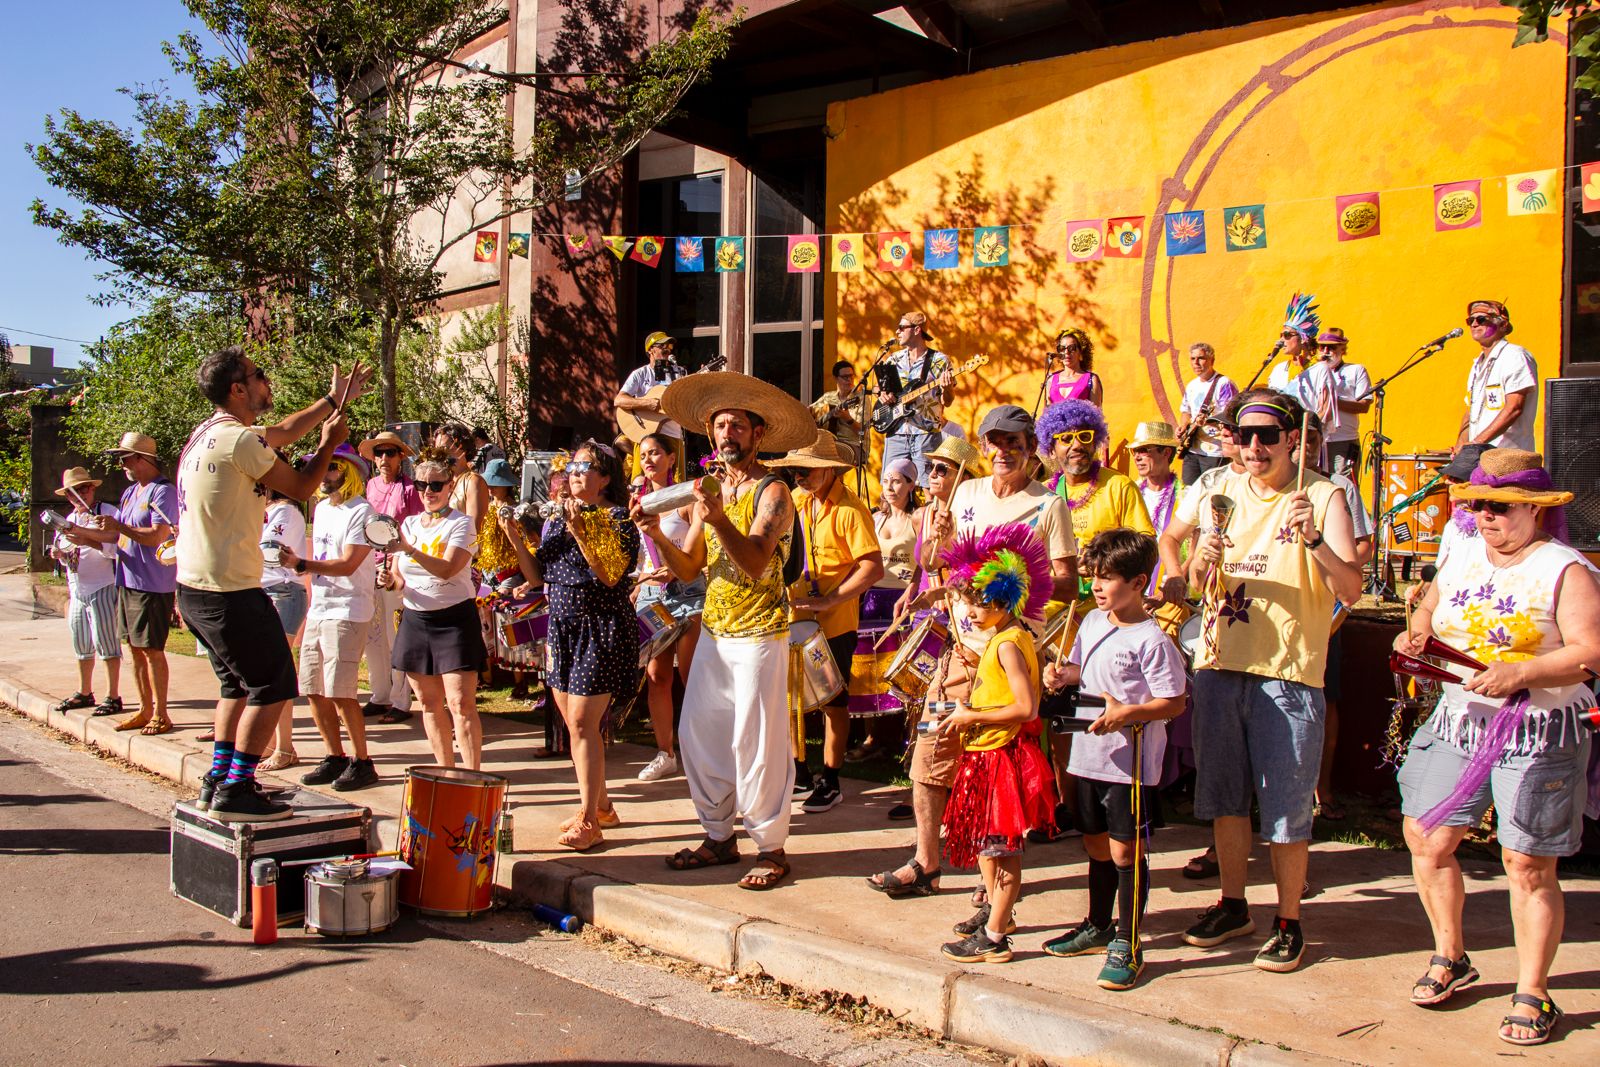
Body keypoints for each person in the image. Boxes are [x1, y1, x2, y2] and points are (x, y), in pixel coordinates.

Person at [1393, 448, 1598, 1046]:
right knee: (1427, 838)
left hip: (1537, 730)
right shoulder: (1459, 554)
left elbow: (1590, 649)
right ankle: (1450, 956)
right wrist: (1419, 629)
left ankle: (1533, 990)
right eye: (1477, 504)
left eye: (1499, 506)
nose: (1485, 516)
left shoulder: (1565, 569)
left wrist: (1523, 672)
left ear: (1533, 508)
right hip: (1460, 722)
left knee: (1527, 862)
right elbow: (1430, 604)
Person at [1182, 388, 1363, 972]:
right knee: (1226, 802)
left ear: (1293, 437)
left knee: (1286, 808)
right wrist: (1197, 562)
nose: (1254, 446)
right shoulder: (1217, 489)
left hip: (1286, 672)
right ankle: (1234, 904)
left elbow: (1351, 590)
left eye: (1267, 435)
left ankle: (1289, 920)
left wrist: (1312, 539)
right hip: (1217, 663)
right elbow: (1186, 581)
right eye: (1244, 435)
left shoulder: (1322, 494)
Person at [869, 404, 1078, 898]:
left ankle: (994, 876)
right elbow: (934, 562)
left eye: (1015, 442)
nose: (1004, 450)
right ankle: (926, 863)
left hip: (1006, 655)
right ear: (983, 447)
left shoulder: (1048, 506)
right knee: (929, 754)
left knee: (994, 770)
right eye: (996, 441)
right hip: (960, 650)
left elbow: (1068, 583)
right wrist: (934, 548)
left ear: (1032, 449)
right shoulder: (965, 492)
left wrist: (1012, 587)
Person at [176, 346, 369, 822]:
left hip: (194, 588)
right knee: (274, 684)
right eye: (258, 376)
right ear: (238, 389)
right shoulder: (238, 441)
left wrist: (332, 399)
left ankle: (219, 778)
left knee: (235, 686)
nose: (266, 383)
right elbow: (302, 487)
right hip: (229, 590)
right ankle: (238, 787)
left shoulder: (211, 434)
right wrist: (330, 442)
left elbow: (282, 432)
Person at [636, 371, 813, 891]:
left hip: (760, 633)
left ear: (759, 435)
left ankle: (771, 848)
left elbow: (758, 561)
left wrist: (717, 521)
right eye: (719, 425)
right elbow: (690, 568)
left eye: (738, 425)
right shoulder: (707, 490)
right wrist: (655, 537)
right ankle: (718, 836)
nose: (726, 434)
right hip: (714, 628)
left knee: (755, 742)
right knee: (700, 734)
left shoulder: (774, 490)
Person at [1041, 530, 1187, 989]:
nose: (1097, 587)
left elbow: (1175, 701)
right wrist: (1060, 674)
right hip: (1087, 754)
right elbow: (1081, 671)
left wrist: (1128, 714)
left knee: (1127, 850)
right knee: (1095, 843)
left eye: (1107, 579)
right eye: (1094, 579)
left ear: (1139, 581)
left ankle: (1130, 939)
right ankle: (1098, 923)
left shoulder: (1152, 640)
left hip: (1130, 761)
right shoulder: (1090, 623)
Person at [933, 523, 1057, 964]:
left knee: (1002, 851)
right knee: (989, 848)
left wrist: (970, 715)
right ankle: (995, 918)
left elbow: (1025, 708)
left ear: (999, 602)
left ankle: (997, 933)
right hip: (987, 753)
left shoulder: (1006, 644)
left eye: (974, 604)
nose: (967, 613)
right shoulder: (1005, 637)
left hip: (1004, 757)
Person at [521, 441, 640, 850]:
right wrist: (514, 537)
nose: (574, 472)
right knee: (572, 723)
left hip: (600, 627)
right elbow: (537, 576)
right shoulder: (557, 518)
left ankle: (590, 821)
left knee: (583, 724)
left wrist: (579, 528)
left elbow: (609, 576)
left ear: (605, 478)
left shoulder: (619, 519)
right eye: (571, 465)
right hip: (563, 626)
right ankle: (601, 805)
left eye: (585, 466)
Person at [767, 433, 883, 811]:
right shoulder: (796, 501)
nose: (799, 476)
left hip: (834, 623)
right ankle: (799, 772)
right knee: (789, 701)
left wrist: (832, 598)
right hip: (793, 617)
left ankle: (831, 778)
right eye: (795, 470)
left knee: (834, 702)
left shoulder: (851, 508)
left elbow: (872, 566)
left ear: (830, 469)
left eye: (806, 470)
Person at [282, 444, 380, 792]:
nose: (324, 475)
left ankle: (363, 761)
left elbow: (350, 562)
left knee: (341, 691)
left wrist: (301, 565)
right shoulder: (321, 508)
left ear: (351, 471)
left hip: (348, 608)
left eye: (332, 468)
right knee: (312, 687)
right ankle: (334, 755)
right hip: (322, 606)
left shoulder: (363, 512)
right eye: (321, 468)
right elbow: (319, 556)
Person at [387, 447, 486, 769]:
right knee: (428, 704)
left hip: (455, 618)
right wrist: (388, 579)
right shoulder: (410, 524)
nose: (427, 492)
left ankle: (472, 777)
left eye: (435, 485)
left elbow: (448, 568)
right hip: (416, 619)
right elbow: (399, 578)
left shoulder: (462, 524)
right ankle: (445, 771)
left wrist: (409, 550)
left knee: (461, 704)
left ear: (450, 486)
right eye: (420, 485)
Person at [1299, 413, 1376, 823]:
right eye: (1301, 440)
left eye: (1315, 440)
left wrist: (1332, 563)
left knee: (1326, 699)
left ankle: (1323, 789)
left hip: (1328, 605)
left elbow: (1362, 547)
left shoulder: (1339, 487)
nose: (1307, 448)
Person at [632, 432, 705, 782]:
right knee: (657, 677)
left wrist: (679, 568)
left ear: (672, 458)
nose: (649, 460)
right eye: (644, 454)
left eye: (656, 453)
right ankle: (666, 753)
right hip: (652, 594)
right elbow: (645, 553)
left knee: (690, 676)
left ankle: (699, 750)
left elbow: (702, 553)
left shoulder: (687, 497)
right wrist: (641, 582)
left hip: (688, 591)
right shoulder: (640, 501)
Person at [100, 432, 179, 733]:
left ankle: (162, 713)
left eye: (125, 457)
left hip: (153, 583)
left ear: (142, 459)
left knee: (152, 649)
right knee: (134, 647)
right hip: (127, 578)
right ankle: (145, 710)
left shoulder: (163, 492)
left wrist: (119, 526)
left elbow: (158, 535)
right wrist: (83, 535)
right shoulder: (131, 492)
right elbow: (116, 533)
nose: (121, 464)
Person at [846, 458, 920, 744]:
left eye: (898, 480)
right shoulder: (875, 518)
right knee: (869, 664)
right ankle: (871, 738)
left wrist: (912, 590)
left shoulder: (917, 519)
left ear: (911, 485)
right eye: (886, 480)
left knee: (903, 668)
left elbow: (923, 563)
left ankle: (908, 735)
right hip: (873, 596)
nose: (890, 486)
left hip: (902, 597)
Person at [47, 468, 123, 722]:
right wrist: (59, 553)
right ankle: (85, 690)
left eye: (84, 488)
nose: (80, 495)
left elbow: (114, 545)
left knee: (106, 641)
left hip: (102, 584)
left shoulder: (106, 513)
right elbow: (65, 549)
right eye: (74, 491)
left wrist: (85, 539)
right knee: (81, 642)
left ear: (93, 488)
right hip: (78, 587)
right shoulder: (69, 518)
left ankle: (113, 694)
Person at [359, 430, 422, 724]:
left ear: (400, 458)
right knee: (373, 635)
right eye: (379, 453)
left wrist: (400, 565)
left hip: (394, 567)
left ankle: (400, 699)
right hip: (368, 565)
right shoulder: (370, 486)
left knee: (395, 634)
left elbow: (414, 530)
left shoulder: (409, 489)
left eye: (390, 453)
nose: (384, 458)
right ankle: (379, 693)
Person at [1038, 399, 1153, 549]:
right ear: (1052, 451)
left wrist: (1101, 562)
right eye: (1066, 439)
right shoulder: (1043, 494)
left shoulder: (1119, 486)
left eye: (1085, 436)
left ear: (1095, 443)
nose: (1077, 445)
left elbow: (1146, 546)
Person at [258, 468, 309, 770]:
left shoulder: (287, 513)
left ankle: (285, 746)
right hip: (264, 590)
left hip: (284, 591)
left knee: (277, 670)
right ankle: (269, 742)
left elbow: (269, 551)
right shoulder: (263, 511)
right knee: (266, 670)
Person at [877, 311, 953, 486]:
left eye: (902, 327)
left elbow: (947, 402)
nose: (897, 332)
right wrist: (882, 394)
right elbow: (880, 389)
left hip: (926, 433)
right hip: (896, 430)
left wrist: (947, 387)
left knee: (928, 487)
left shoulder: (940, 361)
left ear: (917, 330)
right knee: (889, 489)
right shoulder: (892, 360)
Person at [1458, 300, 1538, 454]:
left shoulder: (1515, 356)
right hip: (1480, 456)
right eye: (1470, 320)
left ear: (1502, 325)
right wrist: (1461, 445)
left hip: (1509, 457)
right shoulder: (1477, 364)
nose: (1474, 324)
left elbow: (1514, 408)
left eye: (1481, 319)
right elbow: (1471, 411)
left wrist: (1476, 443)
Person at [1305, 328, 1372, 483]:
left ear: (1343, 349)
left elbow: (1364, 406)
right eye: (1322, 347)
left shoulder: (1356, 370)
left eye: (1332, 347)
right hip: (1315, 440)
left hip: (1343, 440)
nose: (1326, 351)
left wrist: (1331, 401)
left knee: (1342, 484)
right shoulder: (1310, 373)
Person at [616, 331, 687, 471]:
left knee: (676, 485)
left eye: (669, 346)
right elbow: (619, 400)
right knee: (642, 481)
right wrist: (647, 403)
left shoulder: (679, 372)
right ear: (650, 351)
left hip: (673, 434)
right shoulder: (640, 374)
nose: (667, 349)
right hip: (645, 435)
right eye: (662, 346)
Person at [1129, 422, 1182, 589]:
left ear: (1166, 452)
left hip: (1170, 589)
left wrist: (1175, 581)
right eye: (1134, 451)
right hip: (1134, 585)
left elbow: (1194, 550)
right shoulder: (1130, 492)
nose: (1137, 457)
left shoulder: (1186, 496)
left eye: (1144, 450)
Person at [1176, 343, 1237, 485]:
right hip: (1193, 448)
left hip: (1215, 450)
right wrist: (1183, 426)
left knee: (1212, 491)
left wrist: (1210, 421)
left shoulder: (1223, 384)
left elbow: (1231, 416)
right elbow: (1186, 410)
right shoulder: (1192, 385)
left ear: (1212, 360)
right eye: (1192, 359)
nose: (1196, 363)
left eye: (1201, 358)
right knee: (1189, 491)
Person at [433, 423, 489, 535]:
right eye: (437, 450)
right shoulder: (442, 482)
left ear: (463, 448)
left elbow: (473, 530)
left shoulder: (473, 481)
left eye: (445, 448)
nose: (440, 455)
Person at [810, 360, 865, 467]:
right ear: (836, 378)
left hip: (855, 447)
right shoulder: (828, 397)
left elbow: (863, 432)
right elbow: (809, 411)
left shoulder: (861, 399)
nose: (849, 380)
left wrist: (847, 418)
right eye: (845, 377)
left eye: (851, 376)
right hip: (830, 444)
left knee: (826, 453)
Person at [1044, 328, 1104, 408]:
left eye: (1072, 348)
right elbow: (1046, 414)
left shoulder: (1091, 379)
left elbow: (1096, 416)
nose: (1066, 352)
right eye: (1062, 348)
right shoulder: (1051, 380)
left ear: (1081, 353)